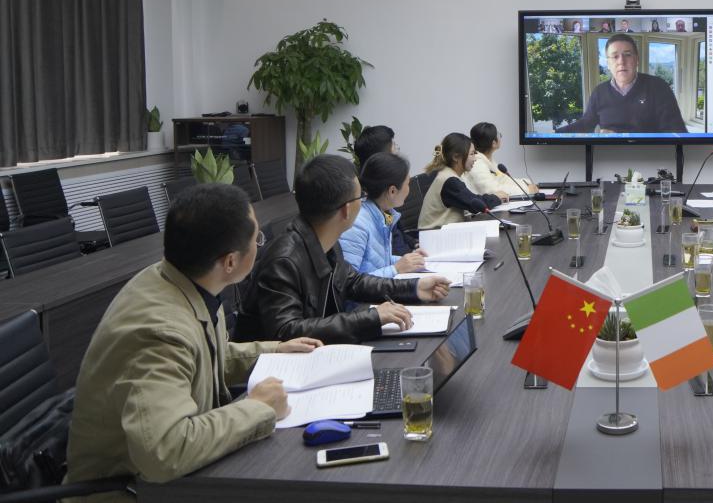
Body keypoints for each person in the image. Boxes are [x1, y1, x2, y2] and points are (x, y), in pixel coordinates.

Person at [66, 184, 322, 493]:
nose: (259, 246)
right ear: (230, 262)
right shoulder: (159, 332)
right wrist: (258, 408)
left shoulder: (185, 281)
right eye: (257, 239)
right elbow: (165, 452)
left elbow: (205, 354)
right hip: (127, 491)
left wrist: (275, 351)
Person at [234, 155, 450, 344]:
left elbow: (353, 281)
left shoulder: (325, 240)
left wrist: (414, 287)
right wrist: (372, 317)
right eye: (360, 197)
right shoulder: (285, 260)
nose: (364, 202)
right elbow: (287, 331)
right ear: (346, 209)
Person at [557, 34, 687, 134]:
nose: (621, 62)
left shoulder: (659, 87)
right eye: (615, 56)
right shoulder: (599, 92)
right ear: (608, 64)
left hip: (650, 155)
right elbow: (586, 123)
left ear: (636, 60)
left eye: (627, 55)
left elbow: (677, 133)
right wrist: (554, 134)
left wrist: (621, 137)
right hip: (610, 155)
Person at [339, 152, 428, 278]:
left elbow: (379, 261)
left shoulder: (382, 214)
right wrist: (396, 269)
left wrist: (410, 259)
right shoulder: (357, 224)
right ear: (392, 191)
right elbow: (348, 282)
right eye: (408, 183)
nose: (409, 188)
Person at [419, 132, 506, 229]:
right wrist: (496, 197)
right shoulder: (450, 181)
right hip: (434, 235)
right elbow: (475, 203)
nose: (475, 159)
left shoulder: (449, 174)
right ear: (456, 157)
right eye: (472, 154)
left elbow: (470, 199)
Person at [464, 121, 539, 198]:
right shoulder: (476, 164)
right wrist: (526, 190)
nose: (501, 137)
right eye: (499, 135)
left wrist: (527, 183)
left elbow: (504, 180)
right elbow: (491, 190)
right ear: (493, 143)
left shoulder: (488, 160)